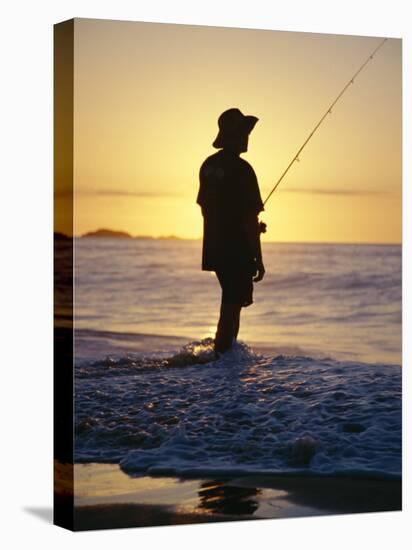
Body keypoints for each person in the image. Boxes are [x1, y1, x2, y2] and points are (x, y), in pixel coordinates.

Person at [196, 108, 266, 357]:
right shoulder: (243, 169)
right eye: (243, 133)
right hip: (237, 249)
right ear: (233, 136)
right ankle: (222, 358)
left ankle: (224, 358)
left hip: (214, 247)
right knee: (232, 305)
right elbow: (249, 217)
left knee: (231, 301)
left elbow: (206, 208)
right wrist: (258, 257)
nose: (247, 138)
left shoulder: (208, 166)